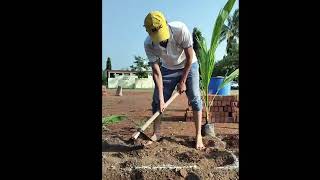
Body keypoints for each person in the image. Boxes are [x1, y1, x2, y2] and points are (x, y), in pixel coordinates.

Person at [143, 11, 205, 150]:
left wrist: (183, 81)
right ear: (148, 32)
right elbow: (156, 72)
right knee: (157, 101)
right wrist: (161, 98)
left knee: (195, 97)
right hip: (167, 69)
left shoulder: (180, 29)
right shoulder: (148, 44)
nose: (161, 39)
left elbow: (189, 57)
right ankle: (156, 134)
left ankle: (199, 135)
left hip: (189, 65)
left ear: (166, 23)